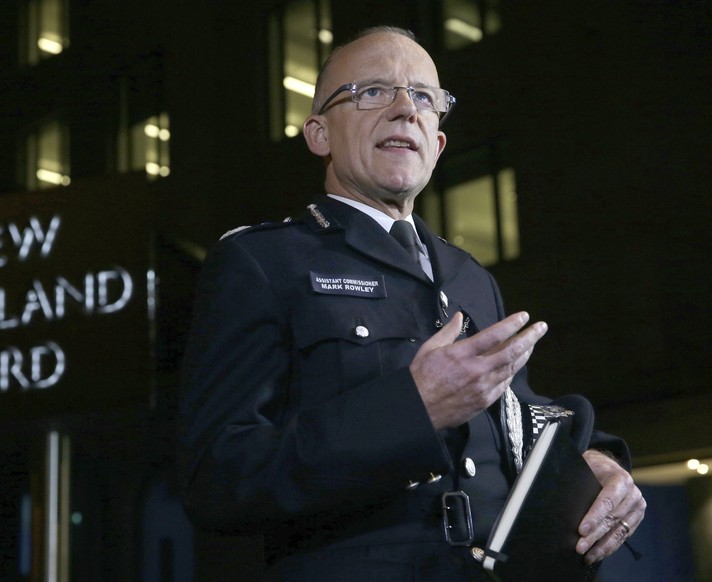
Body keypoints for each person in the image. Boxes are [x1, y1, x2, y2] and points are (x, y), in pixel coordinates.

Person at [177, 26, 646, 581]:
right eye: (372, 91)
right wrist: (411, 411)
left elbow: (517, 418)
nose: (406, 109)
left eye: (424, 97)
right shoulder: (263, 261)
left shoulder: (470, 277)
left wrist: (597, 462)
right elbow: (217, 478)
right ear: (319, 134)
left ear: (437, 143)